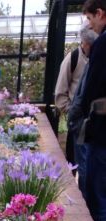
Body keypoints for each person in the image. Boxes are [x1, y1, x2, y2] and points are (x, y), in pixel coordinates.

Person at [78, 0, 106, 221]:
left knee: (97, 199)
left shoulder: (103, 44)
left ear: (100, 14)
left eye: (89, 18)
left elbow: (90, 91)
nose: (89, 24)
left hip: (101, 132)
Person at [55, 25, 97, 163]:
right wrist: (72, 111)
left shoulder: (98, 59)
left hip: (97, 120)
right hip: (79, 120)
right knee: (78, 162)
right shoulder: (73, 58)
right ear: (84, 43)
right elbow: (60, 91)